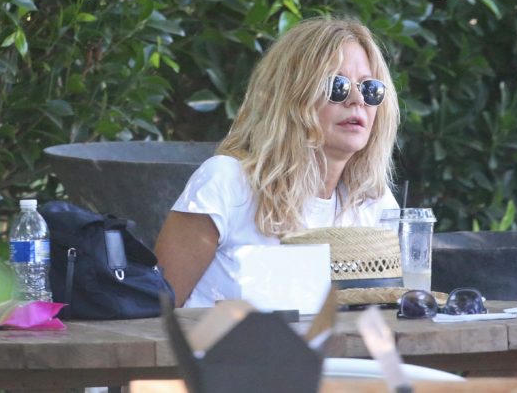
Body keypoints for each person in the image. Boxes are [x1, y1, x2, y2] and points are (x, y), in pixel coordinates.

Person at [155, 17, 401, 307]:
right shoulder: (227, 182)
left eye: (370, 89)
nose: (357, 99)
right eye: (338, 86)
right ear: (292, 95)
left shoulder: (374, 203)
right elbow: (155, 314)